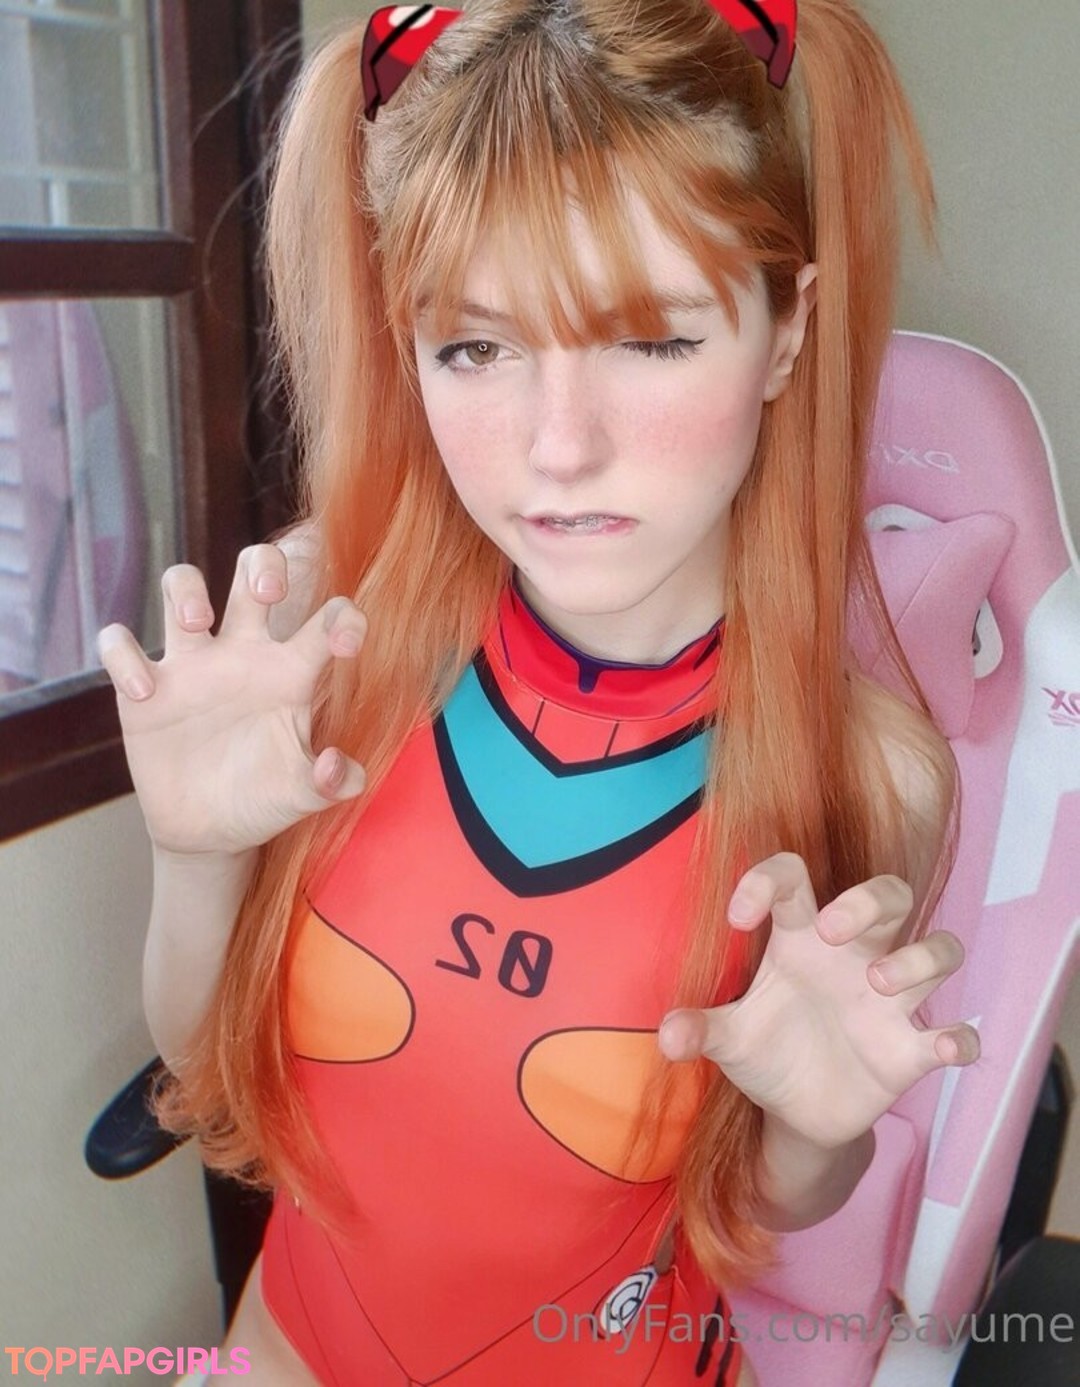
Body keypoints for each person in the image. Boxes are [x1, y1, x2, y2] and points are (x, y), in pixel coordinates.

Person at [96, 1, 982, 1382]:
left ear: (785, 331)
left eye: (654, 341)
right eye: (477, 348)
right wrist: (192, 855)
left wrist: (818, 1129)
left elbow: (764, 1208)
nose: (558, 448)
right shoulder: (329, 652)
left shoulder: (868, 777)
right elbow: (201, 1069)